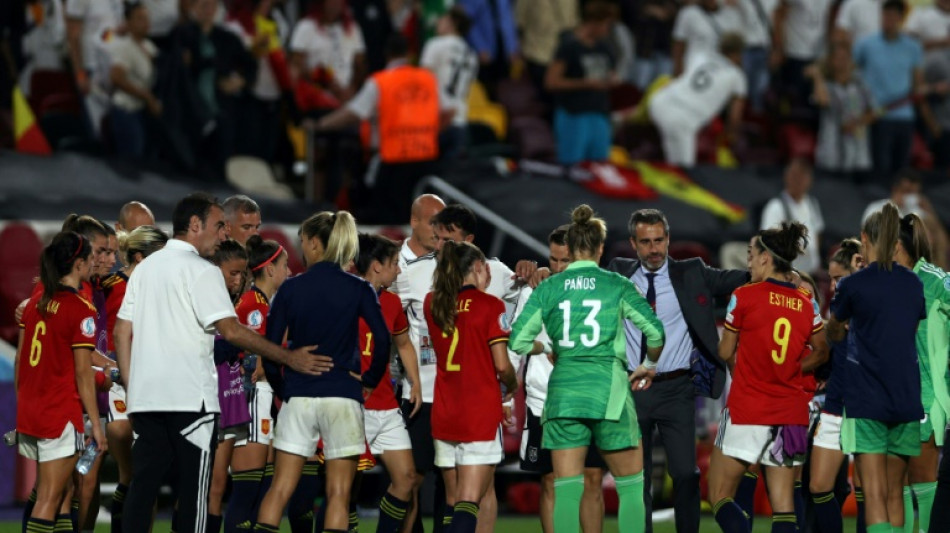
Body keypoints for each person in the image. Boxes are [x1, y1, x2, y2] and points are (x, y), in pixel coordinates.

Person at [113, 192, 331, 533]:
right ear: (195, 225)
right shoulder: (202, 270)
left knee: (143, 490)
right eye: (219, 226)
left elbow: (121, 331)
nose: (224, 234)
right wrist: (288, 356)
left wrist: (132, 385)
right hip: (191, 404)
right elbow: (230, 331)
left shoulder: (146, 268)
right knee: (195, 495)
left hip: (147, 402)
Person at [510, 204, 665, 533]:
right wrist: (649, 365)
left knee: (566, 491)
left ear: (573, 248)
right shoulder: (616, 284)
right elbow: (655, 332)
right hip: (609, 393)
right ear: (599, 248)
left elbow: (517, 342)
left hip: (564, 394)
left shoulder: (549, 287)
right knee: (631, 488)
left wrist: (549, 346)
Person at [606, 208, 749, 533]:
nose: (654, 249)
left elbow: (738, 278)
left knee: (686, 473)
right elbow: (580, 280)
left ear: (668, 239)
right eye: (646, 242)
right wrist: (545, 273)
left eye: (659, 240)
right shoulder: (617, 273)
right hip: (630, 390)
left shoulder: (692, 272)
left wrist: (780, 277)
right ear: (633, 243)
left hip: (676, 390)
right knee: (635, 478)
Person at [253, 210, 392, 532]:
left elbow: (271, 348)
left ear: (315, 243)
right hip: (342, 397)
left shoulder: (290, 288)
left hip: (299, 397)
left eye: (303, 241)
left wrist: (282, 389)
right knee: (339, 495)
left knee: (280, 489)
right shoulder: (358, 287)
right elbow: (382, 339)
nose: (302, 248)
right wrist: (369, 381)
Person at [708, 222, 828, 533]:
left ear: (765, 258)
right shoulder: (806, 302)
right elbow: (821, 351)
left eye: (751, 254)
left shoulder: (745, 295)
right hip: (790, 413)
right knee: (784, 505)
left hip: (749, 408)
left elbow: (724, 352)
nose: (748, 261)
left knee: (719, 495)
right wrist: (791, 370)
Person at [826, 202, 926, 533]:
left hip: (867, 399)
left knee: (875, 494)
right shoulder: (913, 284)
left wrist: (844, 331)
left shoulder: (854, 286)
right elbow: (907, 331)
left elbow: (833, 329)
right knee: (896, 493)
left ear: (865, 239)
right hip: (906, 399)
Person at [515, 225, 608, 533]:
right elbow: (515, 344)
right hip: (544, 403)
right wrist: (504, 396)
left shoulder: (597, 292)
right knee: (551, 480)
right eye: (552, 260)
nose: (556, 268)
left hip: (589, 399)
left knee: (592, 478)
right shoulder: (533, 291)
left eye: (564, 260)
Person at [423, 240, 519, 532]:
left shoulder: (433, 303)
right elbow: (501, 365)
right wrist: (512, 386)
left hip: (444, 410)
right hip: (477, 413)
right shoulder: (491, 305)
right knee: (469, 500)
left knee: (452, 499)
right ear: (478, 267)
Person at [16, 231, 107, 533]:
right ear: (79, 263)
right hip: (60, 413)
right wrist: (95, 424)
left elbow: (23, 361)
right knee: (50, 498)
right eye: (92, 255)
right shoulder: (82, 310)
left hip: (32, 409)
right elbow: (83, 374)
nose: (96, 260)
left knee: (63, 495)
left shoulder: (35, 303)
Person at [314, 35, 450, 224]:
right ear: (409, 54)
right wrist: (431, 132)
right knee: (421, 220)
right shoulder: (428, 78)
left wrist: (321, 124)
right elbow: (449, 111)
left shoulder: (381, 81)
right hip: (426, 159)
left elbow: (354, 113)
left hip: (394, 162)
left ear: (387, 54)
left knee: (387, 219)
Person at [101, 224, 168, 533]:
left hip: (151, 383)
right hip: (124, 384)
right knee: (134, 475)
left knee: (144, 475)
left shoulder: (154, 285)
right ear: (141, 258)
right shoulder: (113, 286)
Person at [353, 233, 422, 533]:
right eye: (394, 263)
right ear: (377, 266)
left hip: (385, 403)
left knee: (406, 478)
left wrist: (415, 383)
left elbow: (404, 343)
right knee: (344, 487)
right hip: (353, 405)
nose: (399, 270)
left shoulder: (392, 302)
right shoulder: (346, 295)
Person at [226, 235, 292, 532]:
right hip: (252, 395)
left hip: (262, 397)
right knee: (245, 493)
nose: (289, 272)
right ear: (269, 270)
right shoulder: (254, 304)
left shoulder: (262, 303)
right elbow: (252, 358)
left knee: (259, 489)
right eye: (285, 265)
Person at [894, 214, 949, 533]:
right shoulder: (889, 281)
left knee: (923, 477)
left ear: (898, 247)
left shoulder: (933, 279)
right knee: (895, 479)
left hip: (926, 395)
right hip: (895, 392)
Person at [808, 239, 863, 533]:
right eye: (830, 279)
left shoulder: (873, 311)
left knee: (869, 491)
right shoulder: (836, 314)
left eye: (838, 279)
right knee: (819, 486)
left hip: (867, 410)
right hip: (835, 407)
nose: (832, 287)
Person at [853, 0, 934, 187]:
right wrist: (859, 109)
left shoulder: (913, 47)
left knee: (902, 171)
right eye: (885, 15)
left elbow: (917, 83)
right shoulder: (866, 45)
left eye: (892, 15)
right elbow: (852, 78)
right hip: (877, 115)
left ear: (900, 18)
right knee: (881, 169)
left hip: (905, 116)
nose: (887, 20)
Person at [648, 32, 747, 168]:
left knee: (669, 158)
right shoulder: (737, 76)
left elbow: (680, 74)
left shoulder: (701, 56)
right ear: (737, 54)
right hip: (682, 119)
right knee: (685, 173)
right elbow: (735, 117)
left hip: (660, 101)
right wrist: (731, 136)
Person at [207, 241, 252, 533]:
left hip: (233, 400)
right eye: (232, 273)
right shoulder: (207, 304)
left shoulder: (235, 305)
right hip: (212, 403)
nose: (238, 280)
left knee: (221, 485)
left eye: (241, 274)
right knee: (209, 485)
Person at [545, 0, 618, 166]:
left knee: (599, 166)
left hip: (599, 113)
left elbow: (611, 71)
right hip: (574, 114)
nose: (608, 29)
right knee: (572, 165)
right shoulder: (569, 46)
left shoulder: (605, 47)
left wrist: (612, 79)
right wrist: (584, 83)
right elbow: (551, 82)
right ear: (593, 23)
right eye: (606, 25)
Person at [807, 42, 875, 176]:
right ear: (831, 62)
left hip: (858, 153)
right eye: (838, 58)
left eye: (846, 58)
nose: (843, 62)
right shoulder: (826, 85)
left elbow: (876, 111)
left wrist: (859, 122)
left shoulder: (860, 85)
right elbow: (822, 100)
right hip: (831, 153)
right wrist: (817, 76)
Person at [420, 6, 479, 160]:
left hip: (437, 121)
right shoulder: (471, 54)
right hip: (460, 121)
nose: (438, 21)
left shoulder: (435, 44)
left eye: (443, 18)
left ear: (453, 23)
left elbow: (424, 82)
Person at [109, 1, 161, 158]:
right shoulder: (123, 46)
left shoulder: (150, 46)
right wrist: (147, 96)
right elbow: (116, 78)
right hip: (126, 110)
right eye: (140, 18)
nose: (145, 22)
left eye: (147, 18)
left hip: (141, 110)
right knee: (133, 159)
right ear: (128, 23)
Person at [759, 158, 825, 275]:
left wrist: (815, 260)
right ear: (786, 177)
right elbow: (768, 245)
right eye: (794, 176)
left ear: (809, 180)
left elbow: (818, 234)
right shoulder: (775, 207)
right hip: (788, 274)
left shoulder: (812, 204)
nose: (798, 181)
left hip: (812, 273)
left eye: (802, 176)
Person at [670, 0, 743, 77]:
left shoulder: (730, 13)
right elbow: (679, 44)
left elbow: (736, 48)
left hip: (722, 68)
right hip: (696, 67)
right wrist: (677, 70)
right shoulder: (688, 13)